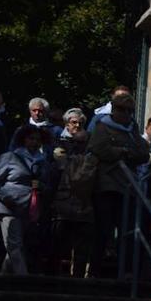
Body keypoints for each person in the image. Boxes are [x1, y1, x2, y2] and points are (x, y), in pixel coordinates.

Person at [89, 94, 150, 278]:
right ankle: (96, 271)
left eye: (129, 111)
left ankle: (124, 271)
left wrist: (121, 151)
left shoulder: (133, 130)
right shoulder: (102, 126)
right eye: (121, 109)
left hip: (128, 188)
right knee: (103, 230)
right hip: (106, 186)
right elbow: (97, 148)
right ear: (114, 110)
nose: (125, 114)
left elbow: (144, 153)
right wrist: (124, 151)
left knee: (127, 231)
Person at [0, 124, 54, 275]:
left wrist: (41, 186)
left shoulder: (43, 162)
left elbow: (48, 186)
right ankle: (23, 278)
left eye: (37, 139)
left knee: (16, 245)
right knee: (15, 244)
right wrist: (3, 197)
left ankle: (2, 279)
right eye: (31, 138)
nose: (34, 142)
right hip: (10, 205)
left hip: (31, 208)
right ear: (23, 139)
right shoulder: (9, 157)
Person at [50, 113, 97, 277]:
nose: (77, 145)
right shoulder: (62, 154)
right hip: (63, 207)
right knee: (58, 246)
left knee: (80, 250)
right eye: (75, 142)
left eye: (81, 142)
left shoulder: (90, 160)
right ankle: (55, 276)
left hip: (83, 208)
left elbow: (81, 180)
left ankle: (76, 278)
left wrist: (67, 163)